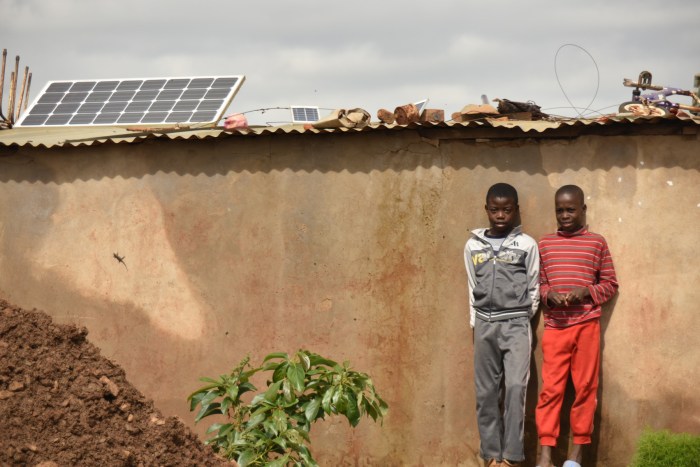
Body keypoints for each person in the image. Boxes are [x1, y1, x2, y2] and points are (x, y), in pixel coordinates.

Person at [535, 185, 619, 467]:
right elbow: (538, 284)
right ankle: (546, 454)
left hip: (586, 326)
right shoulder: (545, 244)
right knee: (551, 391)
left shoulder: (597, 243)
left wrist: (586, 292)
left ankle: (576, 456)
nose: (565, 215)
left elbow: (610, 284)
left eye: (571, 209)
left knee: (585, 388)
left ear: (583, 209)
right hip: (556, 327)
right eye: (559, 210)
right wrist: (549, 295)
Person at [464, 183, 540, 467]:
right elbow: (471, 285)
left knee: (517, 387)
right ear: (486, 210)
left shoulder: (526, 245)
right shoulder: (473, 245)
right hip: (484, 325)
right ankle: (492, 457)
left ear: (516, 210)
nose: (500, 216)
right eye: (494, 210)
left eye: (507, 210)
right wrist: (477, 322)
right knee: (486, 392)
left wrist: (521, 316)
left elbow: (534, 287)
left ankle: (511, 457)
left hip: (517, 325)